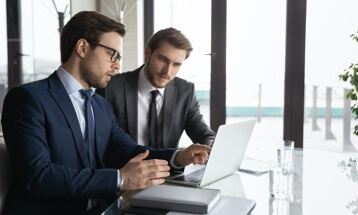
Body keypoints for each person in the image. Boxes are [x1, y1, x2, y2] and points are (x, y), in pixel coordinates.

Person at [1, 11, 211, 215]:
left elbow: (129, 151)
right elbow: (39, 176)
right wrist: (119, 179)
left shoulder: (100, 105)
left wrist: (178, 157)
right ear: (83, 47)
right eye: (113, 54)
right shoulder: (28, 99)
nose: (118, 64)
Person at [96, 27, 215, 149]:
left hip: (170, 166)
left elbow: (200, 130)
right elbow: (99, 142)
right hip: (125, 166)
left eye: (176, 64)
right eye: (163, 59)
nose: (167, 71)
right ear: (148, 53)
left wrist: (212, 144)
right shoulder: (110, 88)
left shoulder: (185, 91)